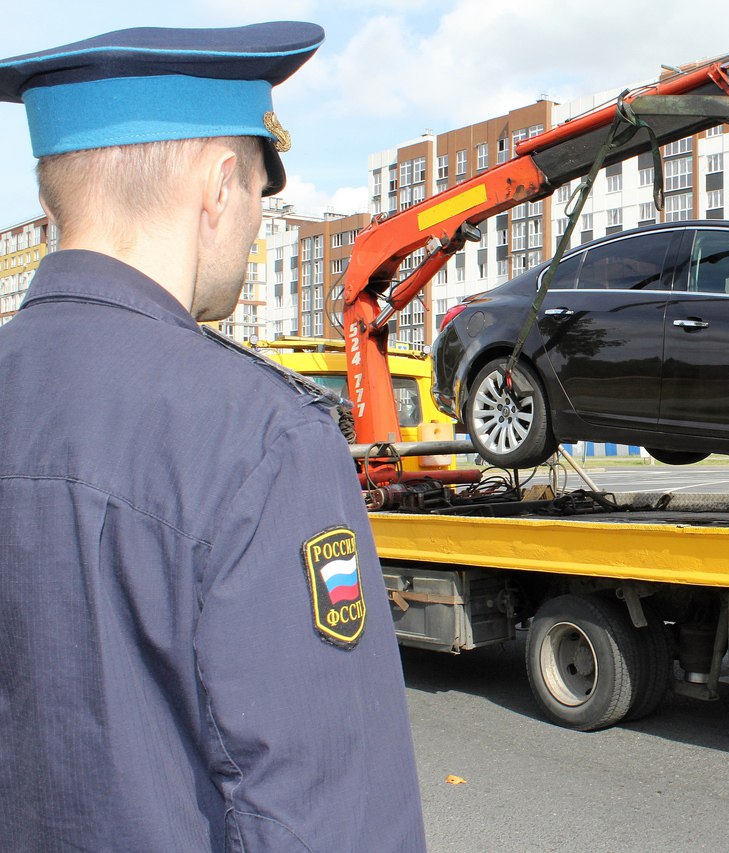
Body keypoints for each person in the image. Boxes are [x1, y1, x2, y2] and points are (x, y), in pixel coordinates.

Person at [0, 23, 428, 851]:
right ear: (220, 184)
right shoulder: (262, 439)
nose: (257, 227)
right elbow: (330, 815)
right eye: (263, 195)